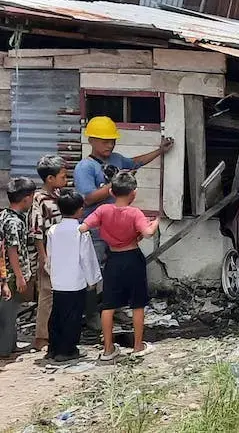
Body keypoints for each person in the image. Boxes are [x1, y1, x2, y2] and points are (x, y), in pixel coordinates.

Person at [74, 116, 172, 329]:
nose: (109, 145)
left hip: (116, 227)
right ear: (91, 140)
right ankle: (91, 315)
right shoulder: (85, 167)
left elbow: (136, 162)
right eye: (104, 141)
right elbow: (88, 198)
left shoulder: (117, 160)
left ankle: (113, 308)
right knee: (93, 270)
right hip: (96, 228)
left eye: (112, 141)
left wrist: (160, 151)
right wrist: (113, 186)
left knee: (114, 270)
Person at [80, 171, 159, 360]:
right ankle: (138, 346)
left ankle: (108, 350)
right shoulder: (135, 213)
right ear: (134, 193)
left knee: (108, 305)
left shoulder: (103, 210)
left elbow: (83, 227)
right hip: (133, 258)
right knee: (137, 303)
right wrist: (155, 223)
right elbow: (147, 233)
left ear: (112, 193)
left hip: (113, 259)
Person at [46, 191, 100, 362]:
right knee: (73, 317)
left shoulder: (53, 230)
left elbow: (50, 256)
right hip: (75, 281)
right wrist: (93, 280)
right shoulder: (81, 231)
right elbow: (87, 258)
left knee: (57, 315)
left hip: (58, 281)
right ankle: (67, 350)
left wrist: (52, 273)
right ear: (79, 210)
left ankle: (53, 348)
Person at [29, 155, 68, 351]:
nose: (66, 180)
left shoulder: (59, 194)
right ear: (49, 179)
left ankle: (56, 332)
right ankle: (42, 337)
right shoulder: (39, 199)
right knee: (47, 294)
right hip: (48, 252)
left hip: (61, 251)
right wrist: (44, 257)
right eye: (62, 176)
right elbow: (36, 232)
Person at [1, 177, 37, 356]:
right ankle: (5, 349)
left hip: (7, 273)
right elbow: (12, 249)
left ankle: (11, 345)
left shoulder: (5, 215)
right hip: (10, 275)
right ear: (26, 198)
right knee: (8, 314)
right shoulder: (14, 222)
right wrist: (20, 276)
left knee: (11, 311)